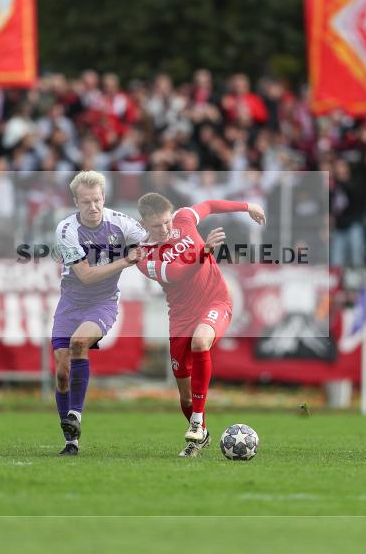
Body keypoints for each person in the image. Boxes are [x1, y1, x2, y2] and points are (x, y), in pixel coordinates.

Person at [134, 193, 265, 456]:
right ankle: (200, 436)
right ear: (144, 224)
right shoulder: (143, 257)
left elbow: (210, 205)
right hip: (181, 319)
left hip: (216, 302)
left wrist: (248, 206)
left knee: (201, 341)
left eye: (167, 221)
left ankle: (196, 421)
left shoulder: (184, 218)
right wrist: (204, 251)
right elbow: (178, 273)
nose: (165, 229)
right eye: (157, 225)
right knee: (184, 394)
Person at [50, 171, 146, 456]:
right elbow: (86, 276)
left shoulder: (121, 223)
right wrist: (126, 261)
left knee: (80, 343)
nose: (93, 207)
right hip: (70, 302)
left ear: (104, 198)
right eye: (86, 202)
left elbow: (150, 240)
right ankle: (71, 441)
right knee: (61, 373)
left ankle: (75, 416)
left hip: (102, 302)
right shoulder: (66, 230)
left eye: (97, 201)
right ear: (76, 203)